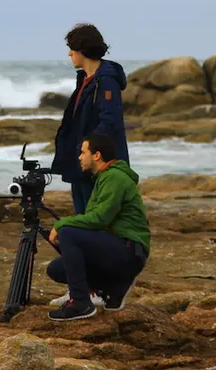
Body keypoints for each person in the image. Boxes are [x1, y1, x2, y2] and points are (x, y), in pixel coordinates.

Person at [45, 132, 149, 321]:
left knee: (68, 233)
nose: (79, 157)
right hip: (119, 249)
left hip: (130, 251)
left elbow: (99, 218)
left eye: (83, 152)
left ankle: (80, 302)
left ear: (97, 155)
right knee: (57, 269)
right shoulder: (103, 178)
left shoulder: (115, 177)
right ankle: (112, 289)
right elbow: (94, 221)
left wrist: (62, 224)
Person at [51, 23, 130, 216]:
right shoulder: (86, 80)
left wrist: (88, 151)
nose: (70, 54)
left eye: (72, 48)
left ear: (82, 49)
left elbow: (109, 123)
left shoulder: (106, 81)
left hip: (96, 166)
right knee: (82, 217)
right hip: (81, 165)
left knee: (93, 219)